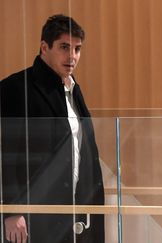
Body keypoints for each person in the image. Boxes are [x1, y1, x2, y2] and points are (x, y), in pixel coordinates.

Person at [1, 14, 104, 243]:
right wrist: (11, 210)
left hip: (78, 214)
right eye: (64, 47)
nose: (72, 56)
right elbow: (5, 156)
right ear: (44, 47)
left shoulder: (73, 89)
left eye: (77, 49)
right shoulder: (15, 89)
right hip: (35, 217)